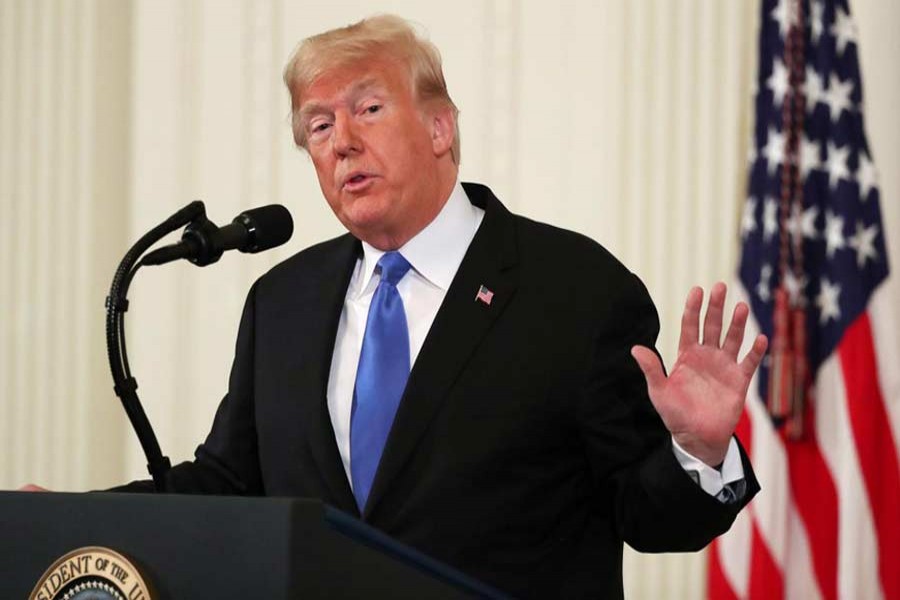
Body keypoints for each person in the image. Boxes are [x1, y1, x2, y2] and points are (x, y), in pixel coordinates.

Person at [103, 15, 764, 598]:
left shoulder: (577, 291)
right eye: (320, 125)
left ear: (440, 126)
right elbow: (230, 482)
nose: (341, 143)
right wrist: (79, 517)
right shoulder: (282, 302)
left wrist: (698, 450)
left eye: (368, 110)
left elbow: (645, 516)